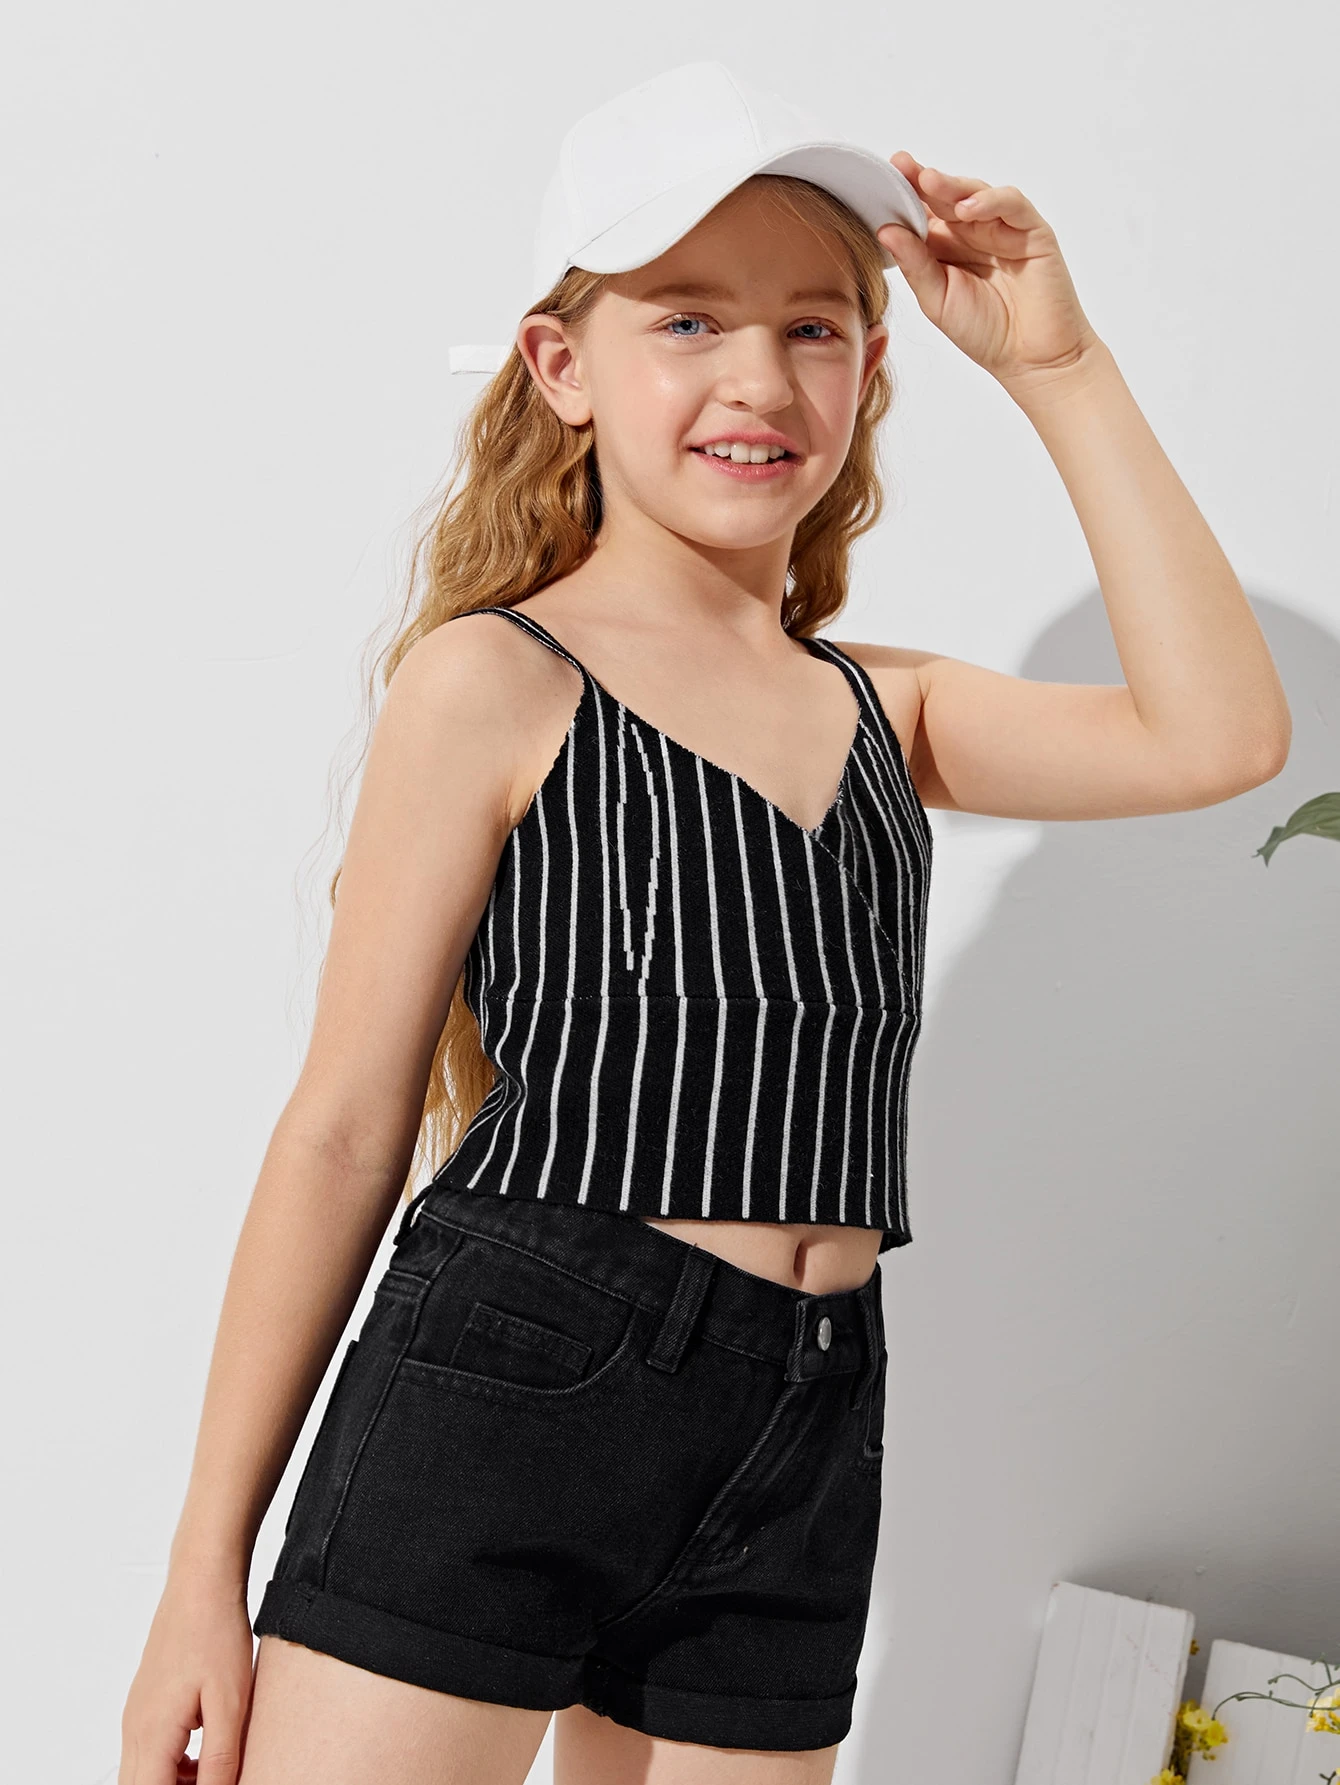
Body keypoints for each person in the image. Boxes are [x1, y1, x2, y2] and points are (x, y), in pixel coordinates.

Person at [118, 58, 1290, 1785]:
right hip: (515, 1380)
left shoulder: (887, 709)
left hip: (809, 1413)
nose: (759, 378)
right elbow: (345, 1128)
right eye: (686, 320)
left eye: (814, 328)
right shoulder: (496, 682)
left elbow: (1222, 736)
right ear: (560, 367)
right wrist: (198, 1577)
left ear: (871, 372)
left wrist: (1059, 368)